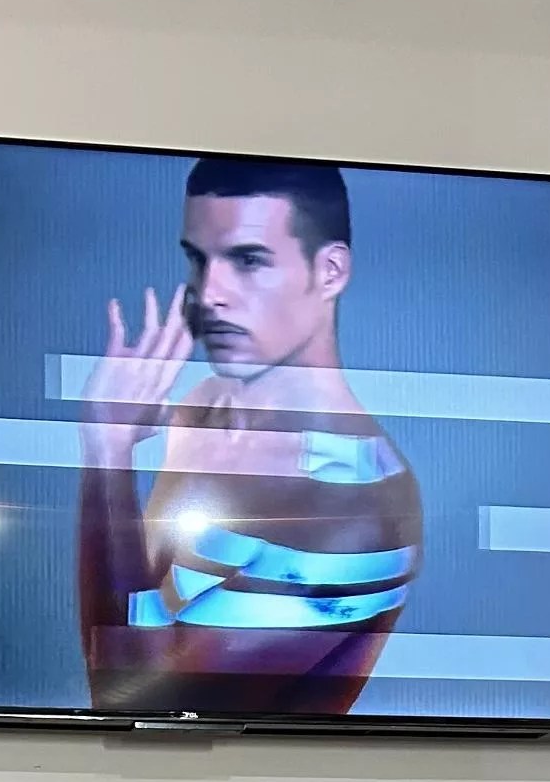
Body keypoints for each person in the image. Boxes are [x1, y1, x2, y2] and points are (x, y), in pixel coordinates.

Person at [77, 157, 421, 718]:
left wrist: (107, 452)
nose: (209, 293)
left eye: (249, 260)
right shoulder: (206, 407)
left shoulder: (352, 506)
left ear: (329, 271)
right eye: (199, 260)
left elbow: (138, 704)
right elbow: (144, 614)